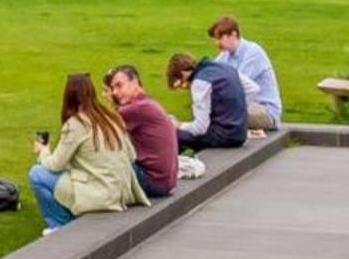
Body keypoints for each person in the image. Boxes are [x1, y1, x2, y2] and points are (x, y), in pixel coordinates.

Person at [29, 71, 148, 230]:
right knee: (66, 171)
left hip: (101, 193)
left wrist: (43, 151)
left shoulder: (76, 124)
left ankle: (60, 227)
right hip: (122, 191)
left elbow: (55, 165)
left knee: (37, 174)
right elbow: (131, 156)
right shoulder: (112, 117)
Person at [105, 64, 179, 199]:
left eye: (119, 85)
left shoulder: (137, 108)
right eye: (112, 88)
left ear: (134, 83)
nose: (115, 92)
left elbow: (102, 126)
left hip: (153, 182)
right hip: (165, 181)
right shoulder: (147, 103)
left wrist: (113, 104)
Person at [209, 14, 282, 132]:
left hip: (265, 110)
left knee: (221, 114)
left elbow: (236, 86)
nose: (217, 43)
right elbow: (211, 75)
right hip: (246, 107)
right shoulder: (225, 56)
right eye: (215, 39)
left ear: (233, 35)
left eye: (219, 38)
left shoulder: (253, 52)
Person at [167, 51, 250, 152]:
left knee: (172, 134)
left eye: (181, 84)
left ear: (182, 74)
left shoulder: (199, 82)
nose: (185, 88)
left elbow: (200, 128)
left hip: (225, 136)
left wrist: (178, 125)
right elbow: (253, 89)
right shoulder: (225, 67)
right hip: (241, 132)